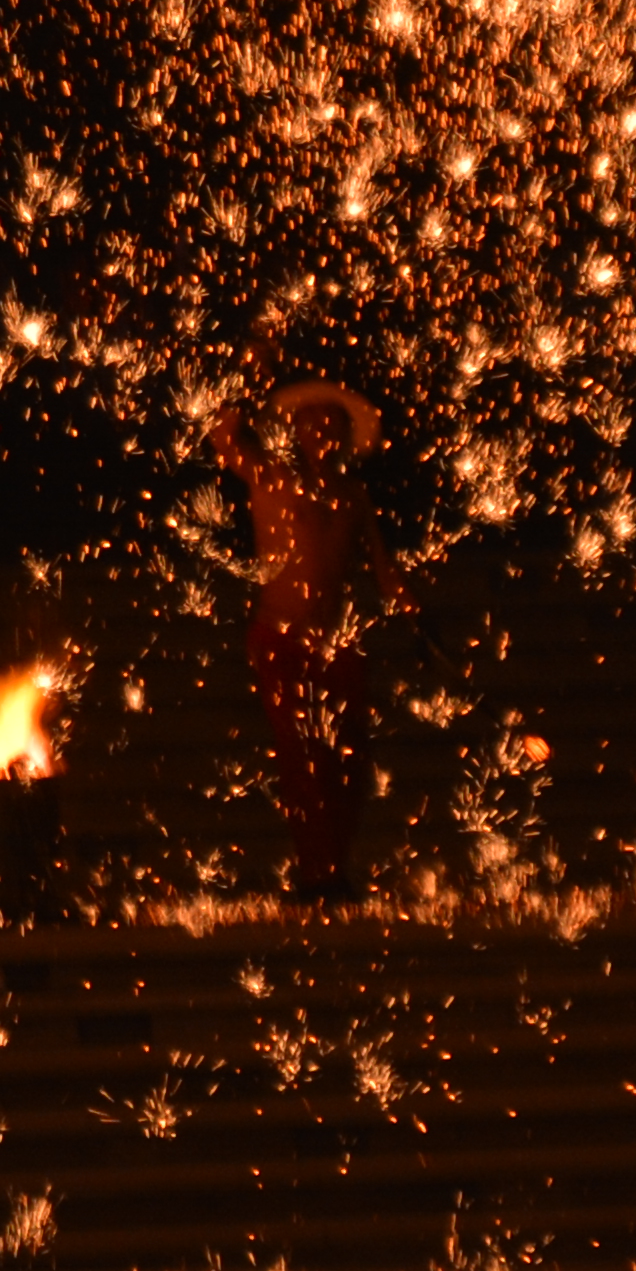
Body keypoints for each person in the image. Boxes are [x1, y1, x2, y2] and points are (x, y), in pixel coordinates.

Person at [205, 369, 386, 896]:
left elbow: (382, 566)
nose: (319, 434)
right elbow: (224, 437)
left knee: (347, 757)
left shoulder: (353, 495)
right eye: (309, 424)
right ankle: (315, 872)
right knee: (302, 755)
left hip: (337, 641)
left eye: (329, 424)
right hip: (281, 637)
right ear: (296, 433)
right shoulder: (271, 478)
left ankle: (336, 867)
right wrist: (249, 367)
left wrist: (406, 598)